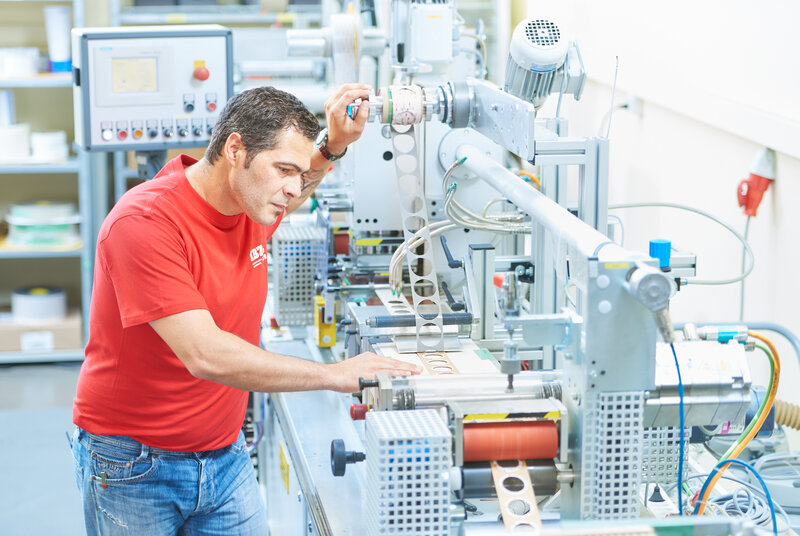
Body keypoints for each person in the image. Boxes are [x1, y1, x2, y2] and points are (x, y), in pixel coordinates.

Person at [69, 84, 420, 534]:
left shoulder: (249, 203)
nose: (293, 190)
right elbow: (205, 354)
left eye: (298, 172)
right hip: (135, 465)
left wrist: (334, 145)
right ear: (235, 149)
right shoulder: (144, 223)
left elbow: (297, 186)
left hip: (224, 454)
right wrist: (334, 375)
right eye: (283, 170)